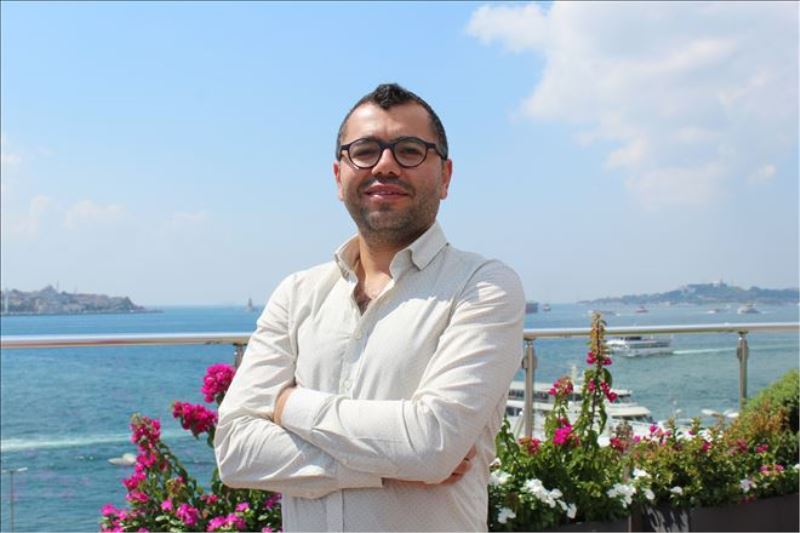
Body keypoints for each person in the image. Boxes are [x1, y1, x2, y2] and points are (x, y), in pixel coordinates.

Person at [215, 83, 525, 531]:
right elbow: (236, 451)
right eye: (364, 151)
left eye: (410, 150)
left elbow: (432, 444)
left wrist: (288, 405)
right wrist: (386, 467)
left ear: (446, 176)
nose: (385, 165)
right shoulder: (297, 293)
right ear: (338, 176)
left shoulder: (482, 286)